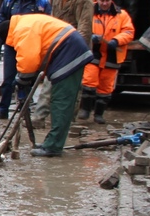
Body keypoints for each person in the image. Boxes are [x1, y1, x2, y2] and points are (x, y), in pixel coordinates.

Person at [6, 13, 94, 157]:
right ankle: (52, 142)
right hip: (68, 49)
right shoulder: (24, 22)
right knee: (58, 100)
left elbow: (28, 60)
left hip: (68, 51)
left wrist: (22, 78)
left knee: (61, 101)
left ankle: (53, 146)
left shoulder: (23, 28)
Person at [32, 0, 93, 125]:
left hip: (75, 47)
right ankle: (39, 118)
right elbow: (54, 21)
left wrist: (77, 53)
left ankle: (68, 120)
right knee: (49, 81)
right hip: (59, 45)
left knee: (72, 86)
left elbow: (84, 28)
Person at [0, 0, 49, 120]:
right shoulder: (10, 0)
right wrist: (3, 34)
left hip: (31, 45)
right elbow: (1, 18)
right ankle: (3, 109)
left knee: (28, 78)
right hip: (12, 44)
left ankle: (25, 109)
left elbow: (47, 21)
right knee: (8, 79)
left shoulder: (41, 2)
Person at [80, 0, 135, 124]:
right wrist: (90, 37)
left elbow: (129, 32)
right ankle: (85, 110)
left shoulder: (121, 15)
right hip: (93, 53)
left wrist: (117, 40)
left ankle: (99, 114)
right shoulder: (89, 11)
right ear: (97, 0)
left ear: (111, 0)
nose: (104, 3)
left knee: (106, 86)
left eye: (107, 0)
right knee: (89, 81)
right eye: (102, 0)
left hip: (113, 55)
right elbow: (81, 27)